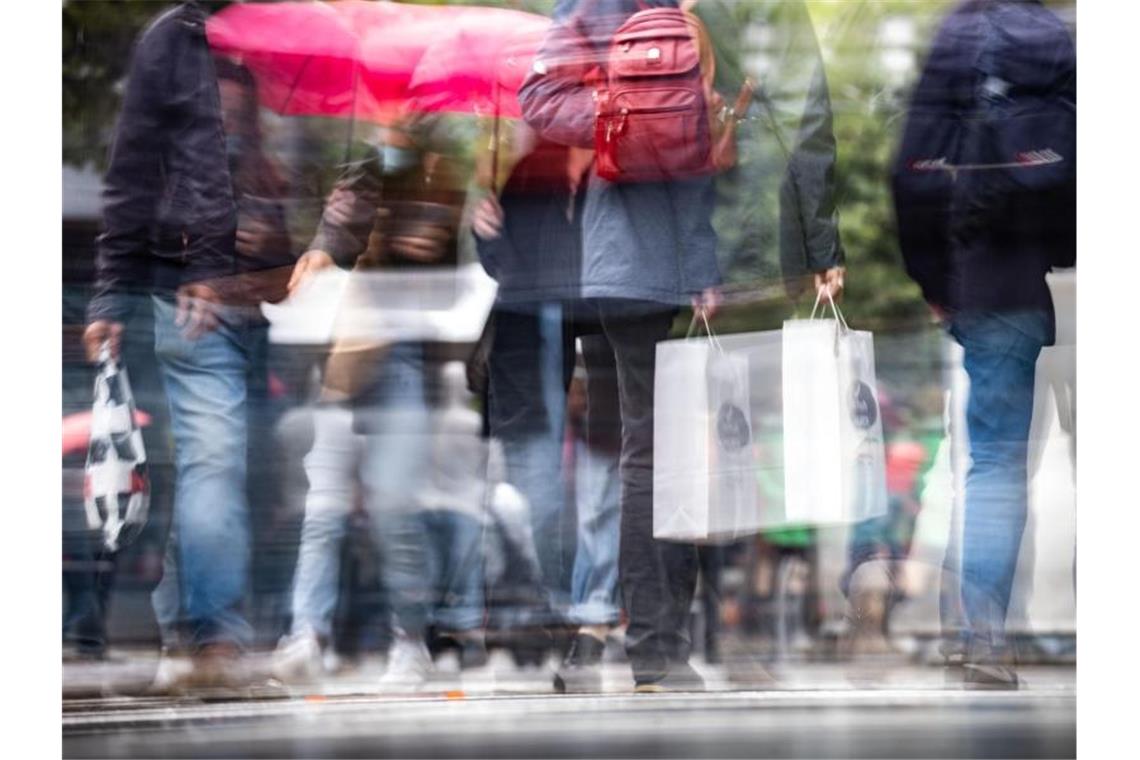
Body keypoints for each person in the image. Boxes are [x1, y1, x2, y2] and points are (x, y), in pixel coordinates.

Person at [518, 0, 845, 692]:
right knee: (664, 449)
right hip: (690, 250)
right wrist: (630, 112)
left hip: (682, 253)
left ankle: (668, 646)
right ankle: (661, 647)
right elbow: (807, 119)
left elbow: (542, 98)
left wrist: (619, 110)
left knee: (671, 449)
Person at [84, 1, 292, 694]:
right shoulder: (186, 39)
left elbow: (138, 169)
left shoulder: (255, 36)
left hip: (254, 297)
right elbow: (144, 172)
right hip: (197, 294)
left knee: (217, 465)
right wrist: (189, 270)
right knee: (215, 462)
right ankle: (216, 641)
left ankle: (187, 631)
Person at [891, 0, 1076, 689]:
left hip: (997, 279)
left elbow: (913, 173)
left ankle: (984, 636)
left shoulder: (958, 36)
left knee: (995, 463)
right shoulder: (1061, 36)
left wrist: (935, 279)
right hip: (1066, 269)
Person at [279, 117, 470, 691]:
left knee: (393, 509)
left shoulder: (444, 176)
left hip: (407, 358)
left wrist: (425, 245)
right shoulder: (358, 165)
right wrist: (325, 240)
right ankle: (305, 634)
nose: (389, 121)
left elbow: (454, 281)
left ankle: (409, 641)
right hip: (349, 356)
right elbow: (333, 241)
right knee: (325, 507)